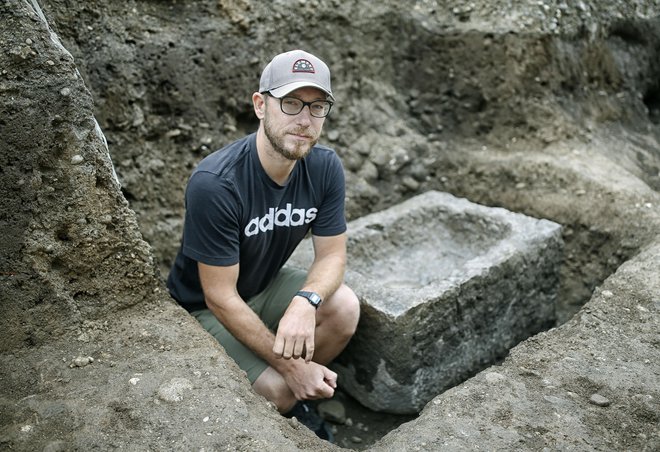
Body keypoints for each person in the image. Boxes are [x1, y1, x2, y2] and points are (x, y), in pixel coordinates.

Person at [167, 49, 360, 442]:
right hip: (203, 308)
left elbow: (333, 256)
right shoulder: (216, 183)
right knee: (277, 389)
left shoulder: (324, 167)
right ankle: (290, 395)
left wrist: (305, 301)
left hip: (263, 285)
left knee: (343, 308)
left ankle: (298, 392)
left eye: (317, 106)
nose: (304, 119)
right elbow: (219, 296)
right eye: (290, 103)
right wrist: (289, 368)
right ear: (261, 105)